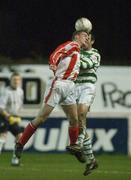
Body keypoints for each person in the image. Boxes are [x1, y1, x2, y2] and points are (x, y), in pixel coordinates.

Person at [14, 30, 89, 163]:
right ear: (76, 36)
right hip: (59, 85)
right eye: (84, 35)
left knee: (74, 119)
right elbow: (57, 52)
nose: (87, 38)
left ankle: (74, 146)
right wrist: (53, 62)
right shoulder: (73, 45)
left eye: (87, 36)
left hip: (70, 87)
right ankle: (20, 144)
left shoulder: (78, 51)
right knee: (42, 117)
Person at [66, 33, 101, 176]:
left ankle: (78, 144)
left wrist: (75, 55)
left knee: (81, 113)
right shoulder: (76, 52)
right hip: (75, 87)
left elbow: (87, 65)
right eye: (83, 39)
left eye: (88, 39)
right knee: (77, 122)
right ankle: (91, 160)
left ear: (92, 41)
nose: (85, 41)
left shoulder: (95, 53)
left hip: (88, 86)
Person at [0, 72, 24, 166]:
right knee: (2, 137)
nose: (16, 81)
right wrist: (8, 117)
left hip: (14, 118)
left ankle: (15, 160)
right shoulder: (6, 91)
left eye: (18, 79)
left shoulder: (20, 91)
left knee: (20, 137)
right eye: (14, 80)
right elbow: (1, 108)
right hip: (4, 117)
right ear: (10, 81)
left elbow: (19, 106)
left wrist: (17, 117)